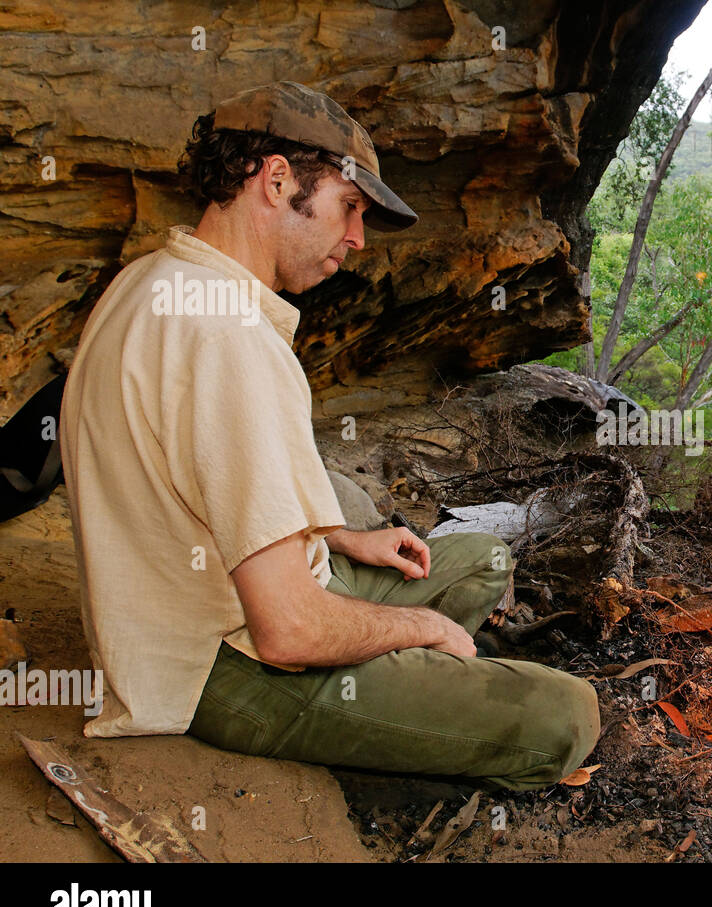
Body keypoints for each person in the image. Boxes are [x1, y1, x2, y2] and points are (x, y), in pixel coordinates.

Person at [59, 81, 599, 791]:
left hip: (194, 603)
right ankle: (402, 709)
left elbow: (201, 476)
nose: (357, 238)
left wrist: (341, 537)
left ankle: (407, 673)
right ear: (277, 180)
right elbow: (287, 633)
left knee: (482, 560)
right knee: (567, 715)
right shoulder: (229, 341)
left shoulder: (151, 281)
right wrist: (422, 632)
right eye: (349, 207)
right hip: (221, 665)